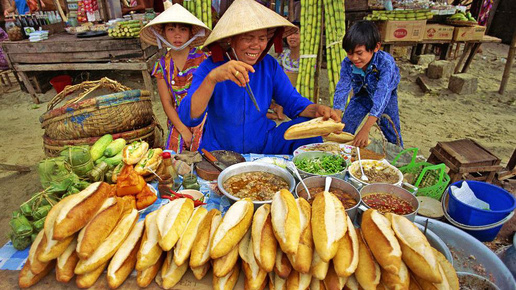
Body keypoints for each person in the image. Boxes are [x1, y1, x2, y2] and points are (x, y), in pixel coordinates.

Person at [178, 0, 340, 155]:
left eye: (262, 38)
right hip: (221, 149)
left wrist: (317, 110)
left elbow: (293, 103)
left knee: (310, 134)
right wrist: (212, 79)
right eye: (248, 38)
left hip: (264, 143)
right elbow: (189, 117)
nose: (256, 45)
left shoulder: (268, 65)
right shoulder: (210, 67)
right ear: (230, 39)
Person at [140, 4, 211, 153]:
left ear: (191, 33)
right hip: (178, 119)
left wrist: (201, 122)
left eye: (183, 29)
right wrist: (183, 130)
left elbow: (211, 96)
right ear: (164, 33)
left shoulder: (204, 59)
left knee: (204, 153)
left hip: (204, 116)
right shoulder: (161, 66)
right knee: (174, 157)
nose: (177, 35)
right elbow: (167, 103)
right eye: (171, 29)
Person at [333, 20, 403, 148]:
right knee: (344, 128)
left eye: (359, 53)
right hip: (362, 94)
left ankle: (400, 160)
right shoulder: (347, 63)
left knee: (392, 132)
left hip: (386, 97)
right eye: (350, 53)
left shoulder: (386, 63)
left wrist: (365, 130)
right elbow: (342, 88)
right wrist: (336, 117)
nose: (354, 58)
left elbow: (383, 95)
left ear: (376, 47)